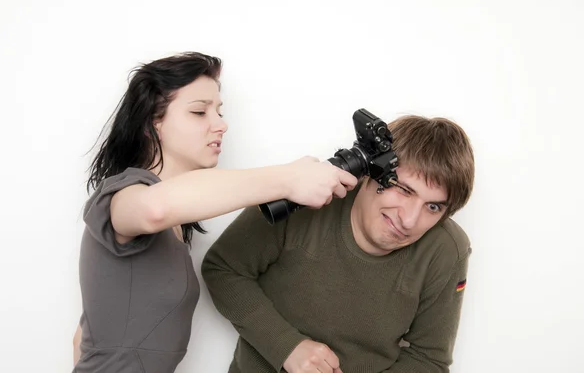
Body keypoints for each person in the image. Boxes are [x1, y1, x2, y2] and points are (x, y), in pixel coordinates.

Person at [71, 51, 358, 373]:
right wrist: (287, 180)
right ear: (153, 122)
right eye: (199, 112)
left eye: (219, 111)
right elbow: (153, 209)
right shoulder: (120, 195)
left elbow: (84, 335)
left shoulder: (174, 228)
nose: (220, 125)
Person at [201, 113, 475, 373]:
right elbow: (224, 268)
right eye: (403, 190)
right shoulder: (305, 195)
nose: (409, 220)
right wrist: (287, 347)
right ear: (370, 171)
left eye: (433, 207)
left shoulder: (447, 250)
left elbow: (429, 360)